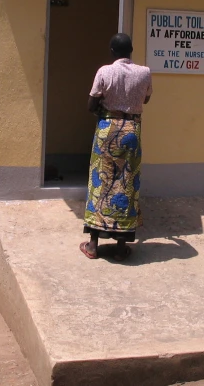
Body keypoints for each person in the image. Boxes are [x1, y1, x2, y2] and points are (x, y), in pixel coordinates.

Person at [80, 33, 152, 261]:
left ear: (112, 51)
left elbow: (91, 104)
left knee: (101, 181)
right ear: (131, 50)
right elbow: (146, 99)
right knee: (127, 182)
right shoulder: (145, 73)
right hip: (131, 130)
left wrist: (104, 106)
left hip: (107, 129)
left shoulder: (104, 71)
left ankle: (92, 245)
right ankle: (121, 247)